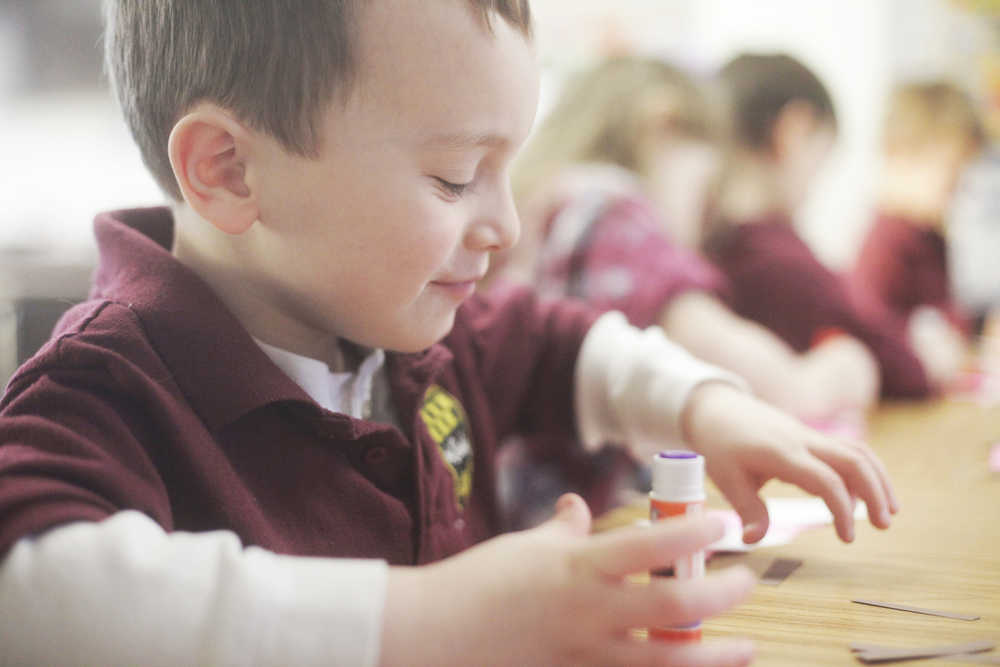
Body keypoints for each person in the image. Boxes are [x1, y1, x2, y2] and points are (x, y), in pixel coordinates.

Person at [0, 4, 897, 665]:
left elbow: (561, 343)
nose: (505, 225)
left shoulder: (414, 336)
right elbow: (29, 592)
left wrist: (705, 409)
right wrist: (424, 621)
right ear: (231, 170)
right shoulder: (106, 394)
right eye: (455, 177)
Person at [496, 56, 879, 422]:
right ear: (664, 124)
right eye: (705, 191)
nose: (705, 220)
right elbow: (779, 389)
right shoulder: (608, 214)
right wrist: (838, 370)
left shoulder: (540, 207)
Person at [704, 52, 937, 400]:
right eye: (822, 157)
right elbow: (905, 371)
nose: (816, 186)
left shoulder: (702, 247)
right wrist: (931, 354)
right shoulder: (775, 257)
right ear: (794, 131)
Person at [849, 81, 986, 386]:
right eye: (951, 172)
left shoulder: (930, 237)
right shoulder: (884, 243)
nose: (958, 188)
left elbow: (944, 314)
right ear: (901, 153)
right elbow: (872, 337)